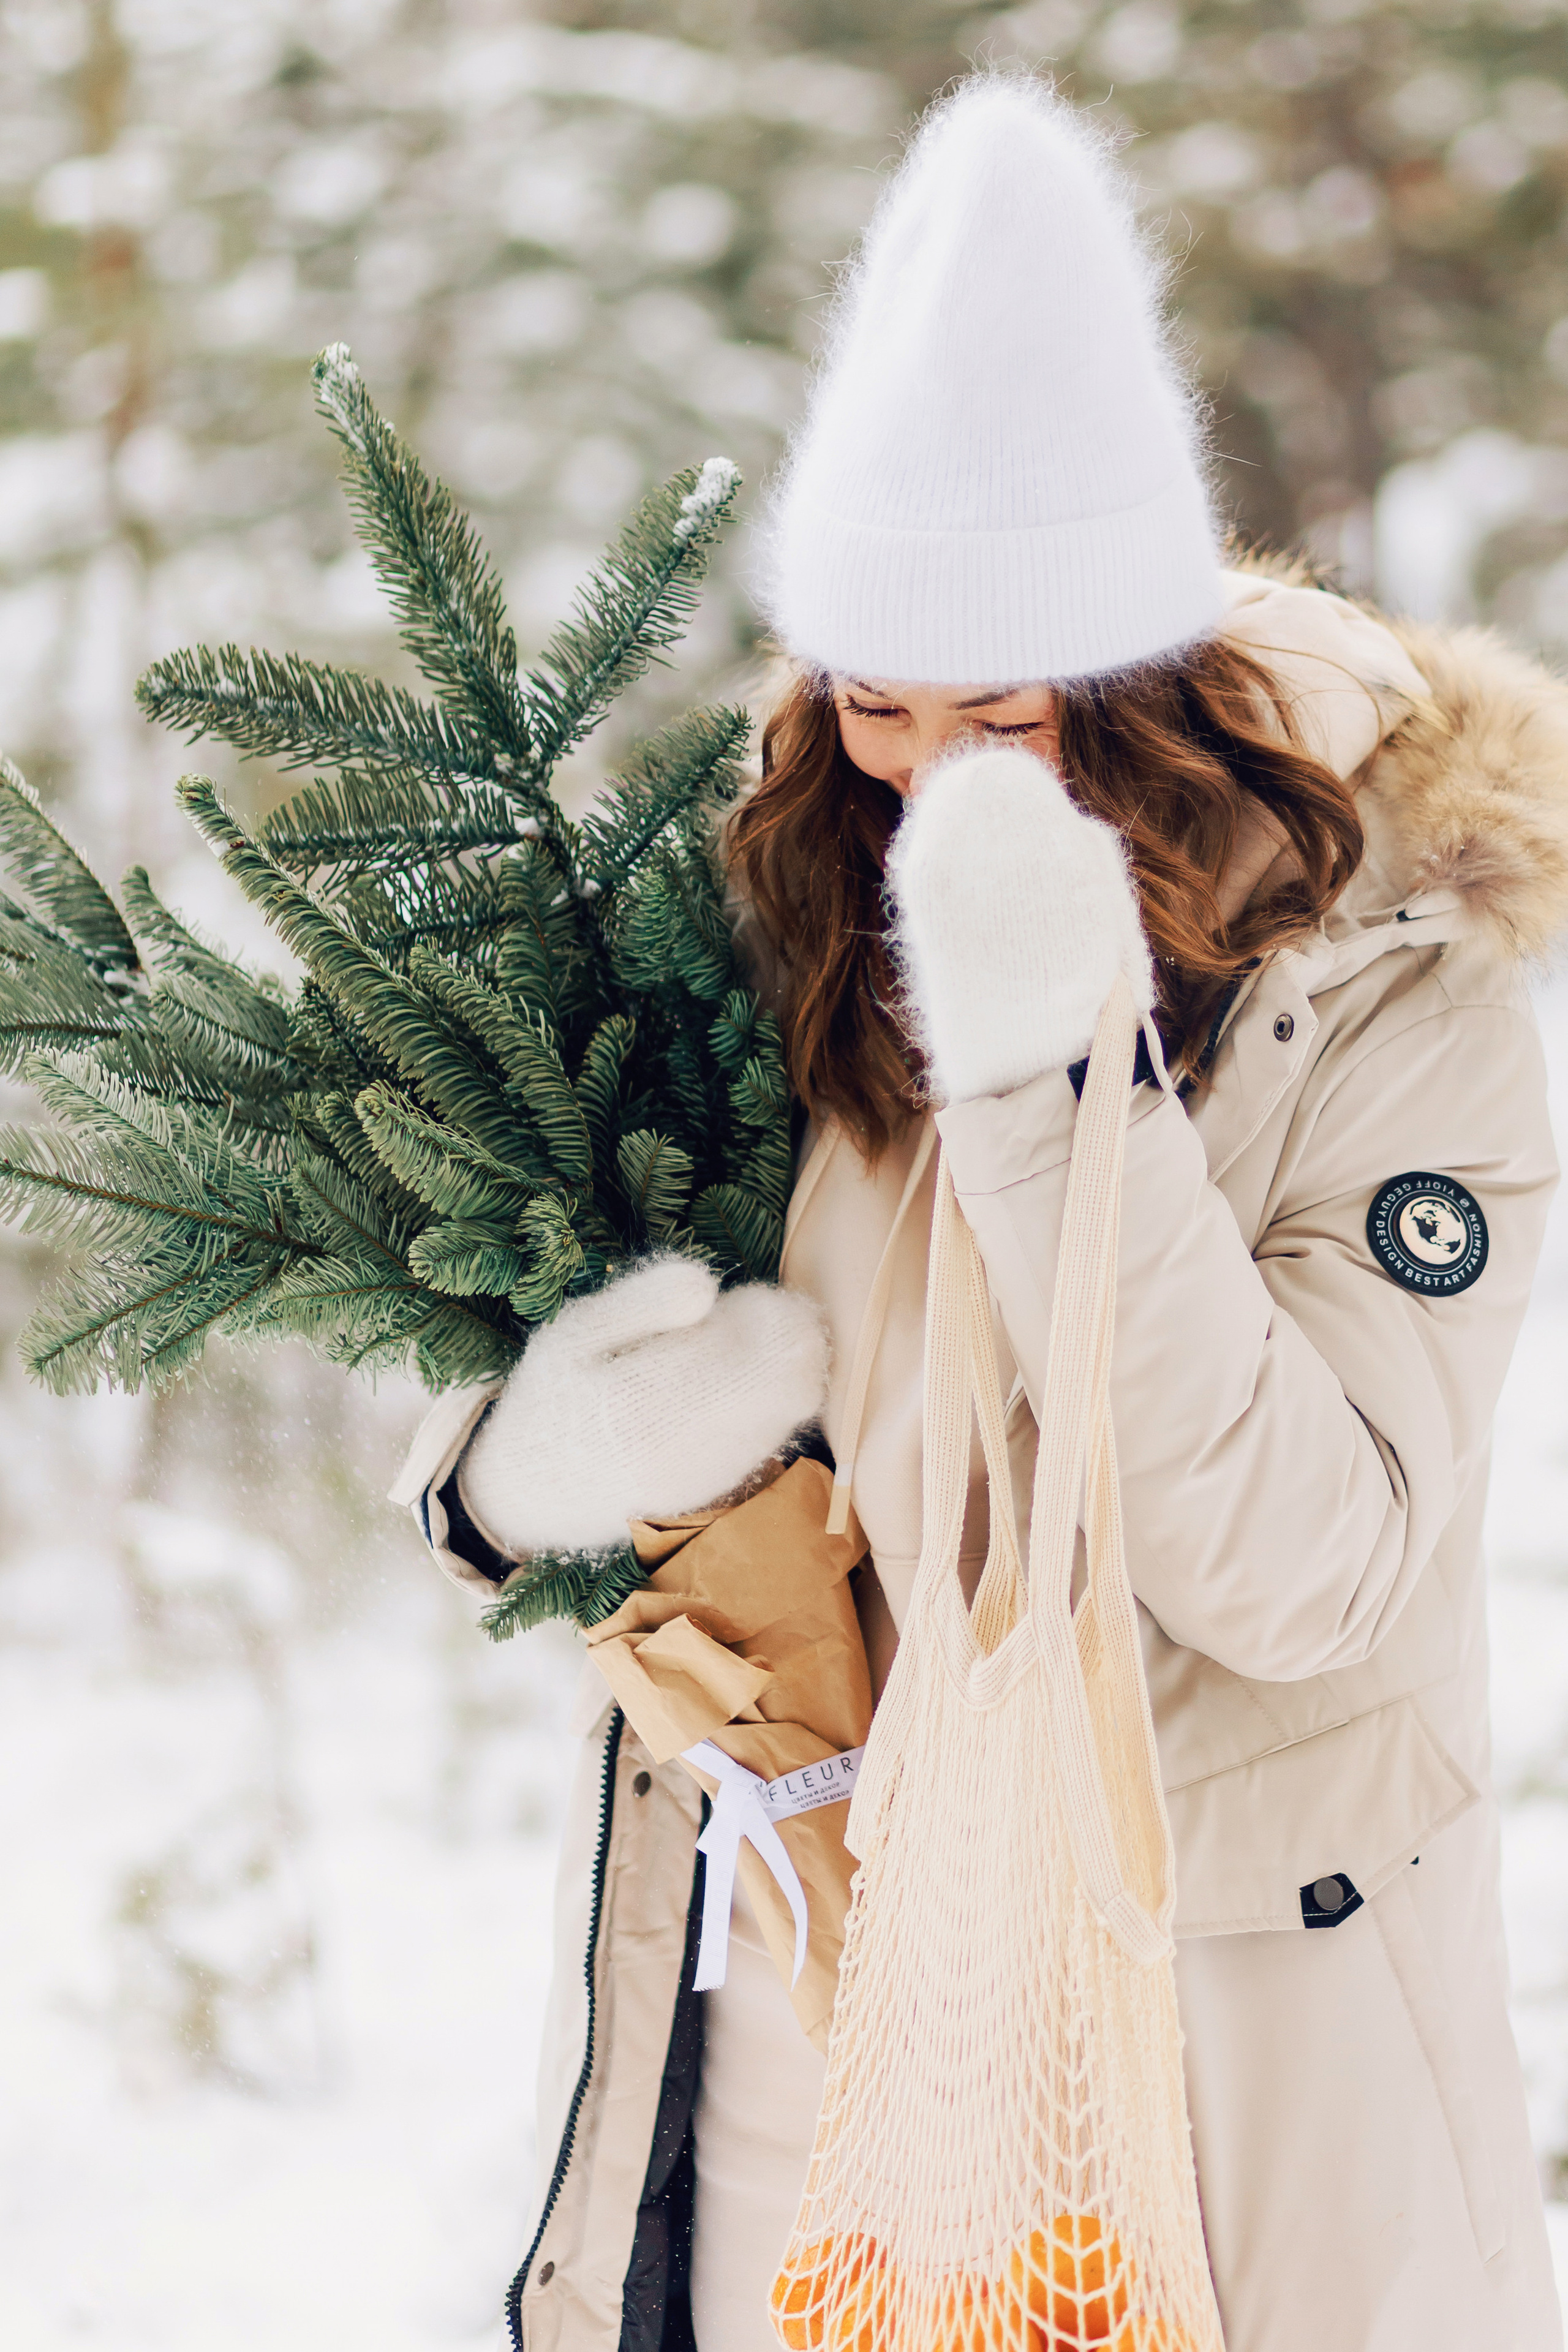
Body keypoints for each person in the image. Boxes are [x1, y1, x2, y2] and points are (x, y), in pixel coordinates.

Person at [396, 75, 1568, 2352]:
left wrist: (1058, 1089)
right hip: (808, 2003)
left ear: (1146, 692)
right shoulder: (774, 917)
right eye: (869, 702)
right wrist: (518, 1468)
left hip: (1222, 2033)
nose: (919, 771)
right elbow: (483, 1272)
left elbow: (1307, 1568)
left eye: (999, 704)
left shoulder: (1405, 997)